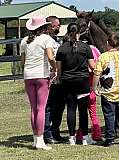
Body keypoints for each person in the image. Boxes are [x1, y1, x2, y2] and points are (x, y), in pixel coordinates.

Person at [56, 22, 96, 145]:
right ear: (79, 33)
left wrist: (60, 79)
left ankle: (71, 138)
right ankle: (84, 138)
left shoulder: (62, 48)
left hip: (67, 81)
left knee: (71, 109)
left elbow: (59, 69)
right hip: (82, 81)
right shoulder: (85, 47)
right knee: (83, 110)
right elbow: (92, 66)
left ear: (67, 32)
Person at [20, 16, 57, 150]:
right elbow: (50, 56)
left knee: (34, 108)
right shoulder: (46, 39)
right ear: (43, 27)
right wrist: (54, 67)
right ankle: (40, 140)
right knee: (41, 108)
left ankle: (36, 139)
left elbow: (22, 61)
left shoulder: (24, 41)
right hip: (41, 75)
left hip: (28, 75)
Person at [93, 33, 119, 147]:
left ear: (107, 43)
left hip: (108, 91)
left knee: (109, 115)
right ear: (118, 44)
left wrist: (94, 87)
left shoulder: (103, 57)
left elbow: (97, 73)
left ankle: (110, 138)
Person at [44, 16, 65, 144]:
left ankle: (55, 131)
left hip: (59, 79)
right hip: (49, 78)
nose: (58, 28)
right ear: (50, 26)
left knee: (60, 106)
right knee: (48, 107)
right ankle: (47, 134)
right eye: (56, 26)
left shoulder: (57, 40)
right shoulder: (45, 41)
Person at [76, 44, 102, 141]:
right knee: (93, 114)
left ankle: (80, 134)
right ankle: (97, 133)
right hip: (91, 92)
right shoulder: (93, 69)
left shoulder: (81, 69)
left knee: (82, 114)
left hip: (82, 91)